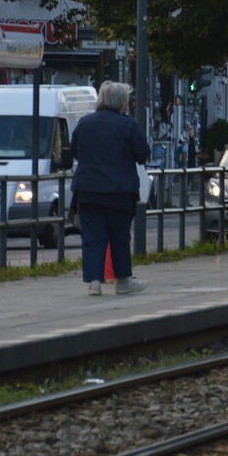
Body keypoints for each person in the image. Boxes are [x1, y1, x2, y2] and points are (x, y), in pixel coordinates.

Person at [70, 80, 151, 296]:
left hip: (88, 190)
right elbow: (143, 154)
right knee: (120, 237)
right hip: (120, 191)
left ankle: (94, 282)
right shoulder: (127, 125)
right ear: (122, 103)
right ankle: (123, 281)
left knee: (92, 238)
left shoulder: (85, 123)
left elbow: (75, 151)